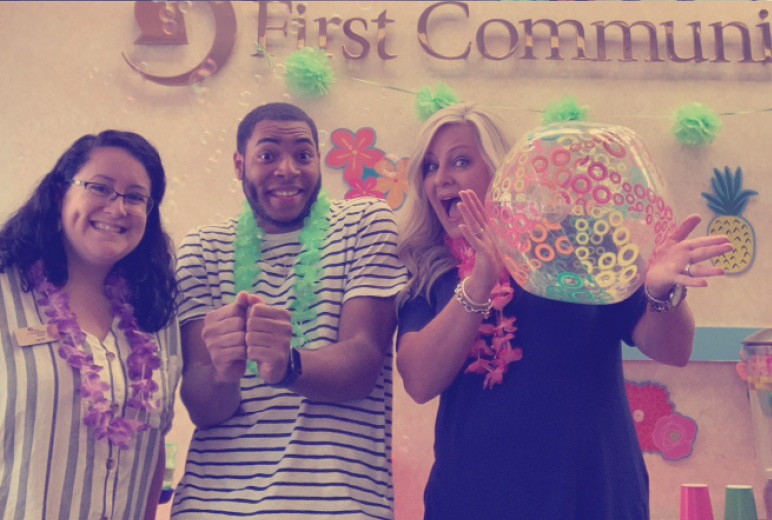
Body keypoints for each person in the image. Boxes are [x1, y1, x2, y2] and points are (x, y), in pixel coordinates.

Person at [395, 102, 734, 520]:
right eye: (429, 167)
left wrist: (660, 293)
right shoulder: (428, 272)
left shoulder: (575, 246)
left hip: (592, 493)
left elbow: (674, 350)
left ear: (502, 171)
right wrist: (478, 284)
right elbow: (419, 381)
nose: (441, 178)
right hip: (475, 498)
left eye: (460, 161)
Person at [171, 102, 407, 519]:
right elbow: (202, 406)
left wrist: (286, 363)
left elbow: (364, 362)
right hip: (213, 506)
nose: (287, 169)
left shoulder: (364, 222)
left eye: (302, 154)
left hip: (337, 507)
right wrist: (224, 373)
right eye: (268, 155)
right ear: (239, 164)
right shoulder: (202, 249)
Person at [0, 130, 181, 520]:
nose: (118, 208)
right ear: (59, 193)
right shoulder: (5, 294)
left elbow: (153, 450)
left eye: (135, 196)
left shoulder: (158, 317)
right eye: (100, 187)